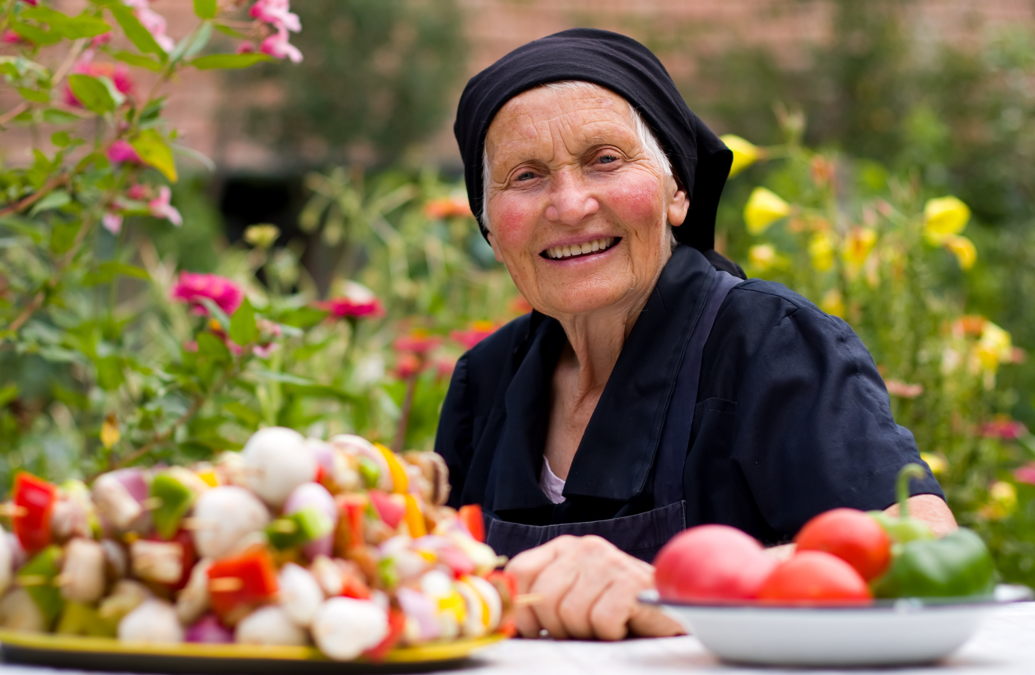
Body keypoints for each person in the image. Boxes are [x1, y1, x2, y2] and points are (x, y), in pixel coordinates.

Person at [435, 28, 956, 641]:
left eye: (605, 159)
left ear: (677, 190)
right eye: (526, 176)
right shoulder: (486, 378)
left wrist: (680, 594)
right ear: (491, 228)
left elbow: (924, 543)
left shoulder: (769, 342)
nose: (570, 205)